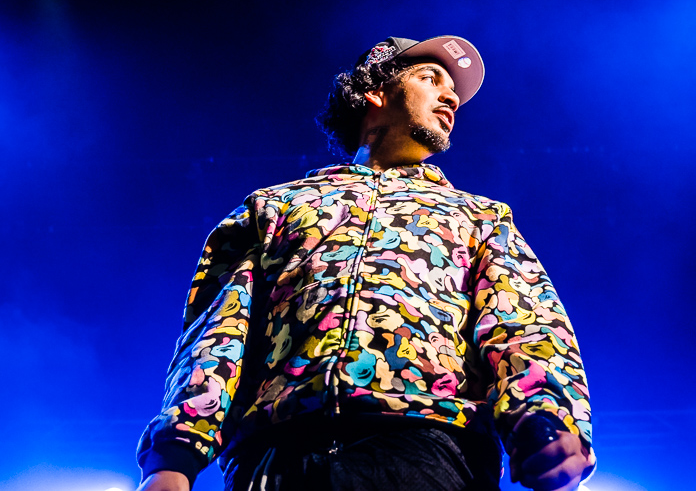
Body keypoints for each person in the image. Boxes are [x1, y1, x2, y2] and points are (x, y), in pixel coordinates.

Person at [136, 35, 596, 491]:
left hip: (430, 452)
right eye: (430, 77)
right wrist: (173, 458)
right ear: (374, 91)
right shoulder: (274, 207)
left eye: (453, 91)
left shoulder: (478, 216)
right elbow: (220, 330)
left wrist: (549, 420)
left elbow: (524, 323)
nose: (451, 95)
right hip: (278, 456)